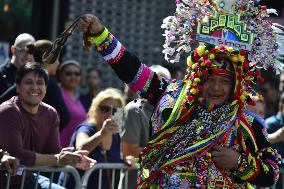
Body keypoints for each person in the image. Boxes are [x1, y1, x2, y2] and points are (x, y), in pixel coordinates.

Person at [75, 9, 283, 188]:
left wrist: (238, 162)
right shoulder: (170, 96)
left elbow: (272, 172)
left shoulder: (247, 124)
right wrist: (101, 36)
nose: (216, 87)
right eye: (209, 79)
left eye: (225, 82)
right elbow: (132, 70)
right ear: (198, 77)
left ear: (236, 84)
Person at [0, 62, 95, 189]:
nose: (34, 87)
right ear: (17, 87)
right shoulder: (8, 111)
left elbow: (53, 154)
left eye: (40, 83)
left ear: (46, 88)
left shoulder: (51, 113)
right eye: (28, 82)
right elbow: (17, 155)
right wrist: (58, 159)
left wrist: (71, 158)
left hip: (28, 179)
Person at [59, 88, 126, 189]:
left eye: (115, 110)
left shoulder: (117, 136)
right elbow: (80, 150)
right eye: (105, 109)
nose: (109, 114)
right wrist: (102, 134)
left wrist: (126, 161)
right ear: (96, 110)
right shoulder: (86, 128)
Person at [121, 65, 171, 188]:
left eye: (165, 82)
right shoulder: (134, 109)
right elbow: (129, 151)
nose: (160, 86)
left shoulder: (173, 111)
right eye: (155, 81)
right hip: (136, 182)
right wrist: (168, 155)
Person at [26, 39, 71, 131]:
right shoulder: (49, 83)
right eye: (57, 59)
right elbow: (65, 117)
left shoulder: (23, 78)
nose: (58, 63)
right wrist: (47, 136)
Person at [57, 60, 87, 147]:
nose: (73, 76)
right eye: (68, 73)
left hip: (73, 149)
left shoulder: (77, 98)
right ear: (60, 75)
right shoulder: (56, 93)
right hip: (57, 149)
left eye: (77, 74)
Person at [0, 33, 35, 104]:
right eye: (23, 51)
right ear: (13, 50)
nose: (28, 56)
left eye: (31, 51)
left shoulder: (36, 75)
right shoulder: (1, 73)